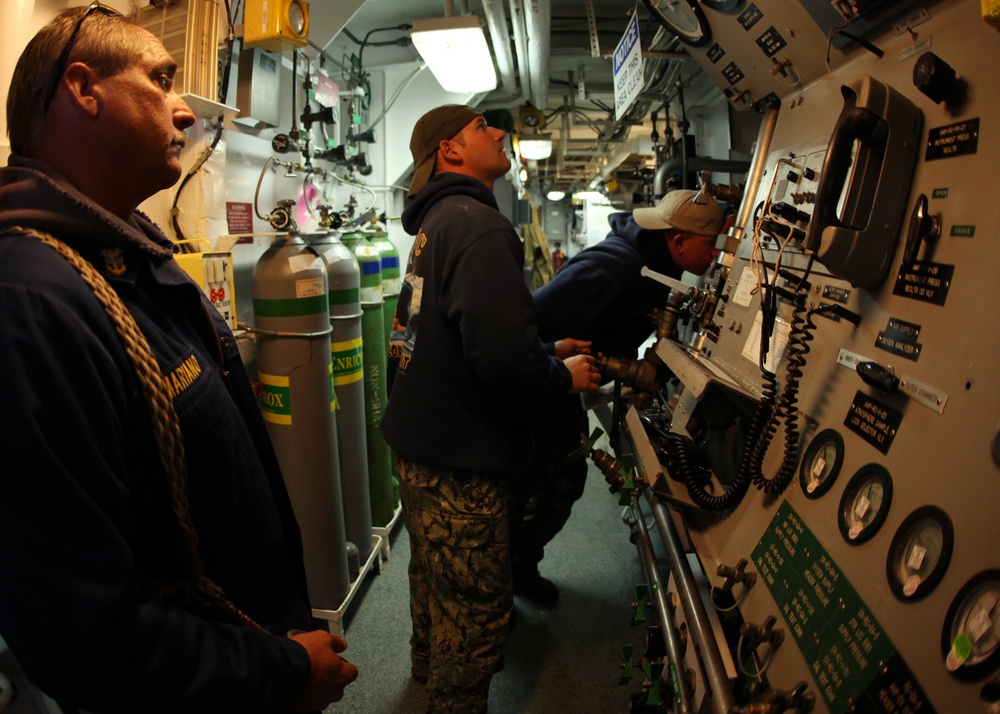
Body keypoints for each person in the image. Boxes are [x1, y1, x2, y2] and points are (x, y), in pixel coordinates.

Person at [0, 6, 357, 712]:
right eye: (161, 81)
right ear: (84, 89)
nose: (184, 113)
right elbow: (86, 630)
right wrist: (276, 671)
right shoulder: (30, 306)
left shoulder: (125, 264)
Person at [380, 104, 600, 714]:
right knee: (476, 610)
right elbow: (501, 359)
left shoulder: (438, 223)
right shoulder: (478, 225)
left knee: (432, 576)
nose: (500, 133)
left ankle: (425, 670)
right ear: (450, 151)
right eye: (483, 128)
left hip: (421, 444)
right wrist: (561, 375)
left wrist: (541, 348)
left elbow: (451, 333)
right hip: (461, 459)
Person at [509, 189, 727, 606]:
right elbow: (528, 321)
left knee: (559, 483)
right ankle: (504, 580)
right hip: (542, 386)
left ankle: (516, 568)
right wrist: (555, 366)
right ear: (678, 242)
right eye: (710, 243)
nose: (716, 254)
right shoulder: (617, 268)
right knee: (538, 486)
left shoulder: (657, 263)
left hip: (560, 384)